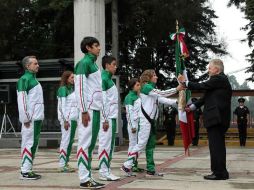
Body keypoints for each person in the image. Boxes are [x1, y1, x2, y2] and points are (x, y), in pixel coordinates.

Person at [122, 69, 183, 177]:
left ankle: (150, 169)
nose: (157, 77)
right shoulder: (146, 87)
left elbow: (161, 99)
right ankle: (127, 164)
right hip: (145, 121)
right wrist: (176, 89)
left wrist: (176, 103)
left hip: (150, 121)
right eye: (154, 75)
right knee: (141, 144)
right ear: (148, 77)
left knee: (150, 146)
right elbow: (161, 93)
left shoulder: (150, 89)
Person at [178, 59, 232, 180]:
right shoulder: (217, 82)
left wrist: (185, 82)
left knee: (216, 147)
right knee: (216, 146)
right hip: (216, 119)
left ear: (217, 70)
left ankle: (219, 173)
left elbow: (202, 86)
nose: (208, 70)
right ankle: (220, 171)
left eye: (210, 68)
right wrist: (191, 107)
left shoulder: (219, 79)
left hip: (216, 119)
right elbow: (204, 98)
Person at [74, 36, 105, 189]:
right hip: (89, 110)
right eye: (96, 45)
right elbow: (79, 88)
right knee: (85, 144)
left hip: (96, 109)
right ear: (88, 48)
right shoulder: (83, 63)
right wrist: (84, 110)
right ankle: (84, 179)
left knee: (91, 144)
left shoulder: (94, 65)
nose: (99, 48)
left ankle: (88, 176)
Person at [17, 56, 44, 180]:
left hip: (37, 118)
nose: (38, 65)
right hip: (30, 119)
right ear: (27, 66)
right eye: (35, 63)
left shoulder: (35, 80)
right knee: (28, 143)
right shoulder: (24, 79)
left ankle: (28, 168)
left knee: (34, 144)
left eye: (37, 63)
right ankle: (25, 171)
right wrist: (25, 118)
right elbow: (22, 101)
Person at [98, 55, 120, 181]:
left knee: (109, 146)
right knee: (105, 145)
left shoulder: (108, 79)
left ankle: (106, 170)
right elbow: (102, 101)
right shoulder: (103, 79)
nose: (115, 67)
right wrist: (105, 119)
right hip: (106, 119)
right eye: (113, 64)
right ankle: (103, 172)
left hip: (111, 117)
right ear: (107, 65)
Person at [57, 71, 78, 172]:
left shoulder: (72, 89)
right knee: (65, 141)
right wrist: (65, 120)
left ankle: (66, 162)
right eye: (72, 78)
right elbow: (61, 106)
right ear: (66, 78)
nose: (74, 79)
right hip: (67, 120)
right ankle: (62, 164)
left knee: (70, 142)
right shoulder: (62, 89)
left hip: (73, 119)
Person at [124, 78, 144, 173]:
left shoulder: (137, 96)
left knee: (137, 145)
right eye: (137, 85)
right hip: (133, 124)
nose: (139, 86)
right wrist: (132, 126)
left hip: (138, 123)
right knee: (132, 145)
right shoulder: (129, 97)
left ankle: (134, 164)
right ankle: (129, 165)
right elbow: (129, 113)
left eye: (139, 85)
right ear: (132, 87)